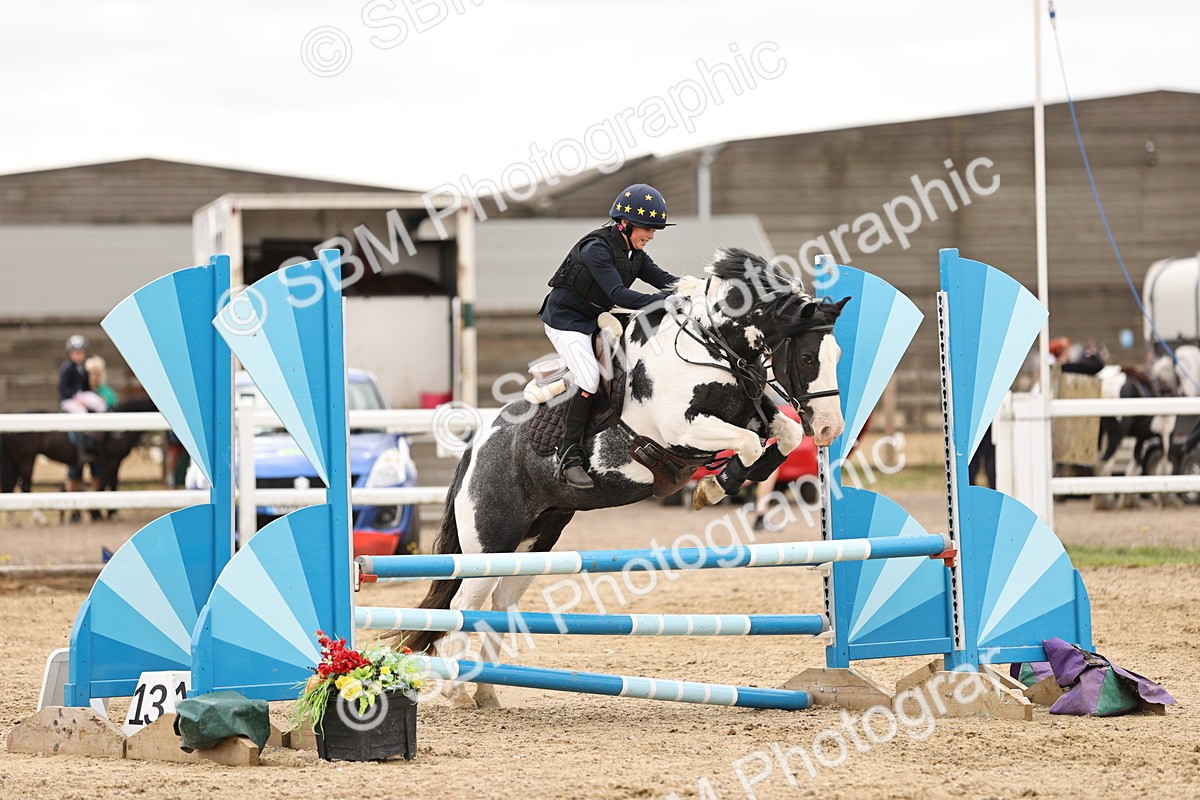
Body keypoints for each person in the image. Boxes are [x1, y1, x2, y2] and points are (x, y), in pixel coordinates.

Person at [538, 183, 682, 489]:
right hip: (565, 321)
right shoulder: (597, 249)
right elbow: (619, 293)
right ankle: (568, 456)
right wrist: (663, 302)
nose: (651, 236)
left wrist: (699, 289)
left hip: (594, 319)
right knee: (590, 378)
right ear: (625, 223)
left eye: (655, 230)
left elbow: (666, 280)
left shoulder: (634, 252)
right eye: (647, 228)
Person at [58, 335, 106, 493]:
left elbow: (86, 387)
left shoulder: (83, 369)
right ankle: (84, 435)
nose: (78, 355)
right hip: (69, 399)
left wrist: (89, 396)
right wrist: (76, 396)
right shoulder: (66, 369)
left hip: (80, 395)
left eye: (81, 352)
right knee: (81, 413)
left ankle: (100, 432)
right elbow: (64, 388)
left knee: (99, 404)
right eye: (75, 352)